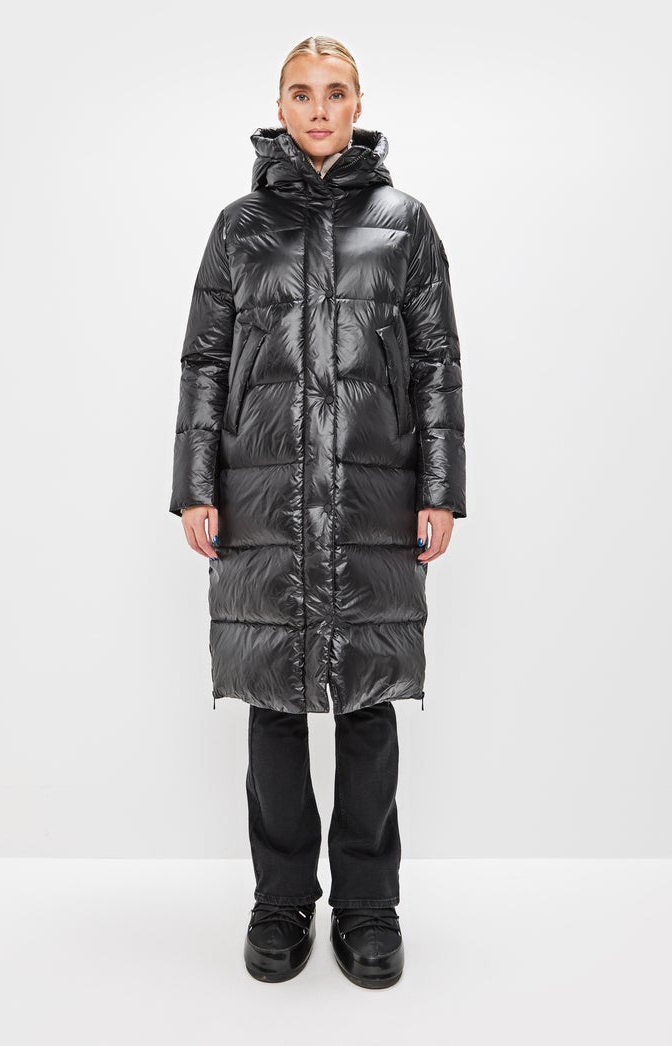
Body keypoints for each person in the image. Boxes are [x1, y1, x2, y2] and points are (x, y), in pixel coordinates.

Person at [169, 35, 466, 989]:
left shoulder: (404, 223)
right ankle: (282, 901)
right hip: (264, 493)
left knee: (369, 702)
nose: (319, 110)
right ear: (281, 107)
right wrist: (197, 483)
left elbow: (436, 365)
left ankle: (370, 905)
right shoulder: (240, 227)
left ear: (359, 103)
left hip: (374, 493)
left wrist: (440, 489)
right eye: (302, 94)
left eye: (335, 93)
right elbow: (206, 361)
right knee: (275, 701)